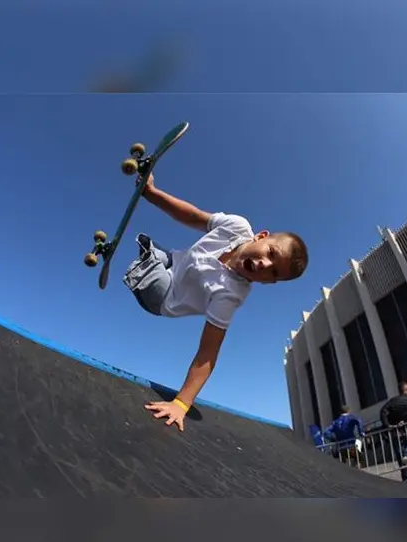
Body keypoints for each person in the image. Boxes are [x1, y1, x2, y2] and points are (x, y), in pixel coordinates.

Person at [132, 173, 309, 432]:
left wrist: (181, 403)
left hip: (163, 296)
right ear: (261, 236)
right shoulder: (236, 226)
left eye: (273, 272)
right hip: (174, 262)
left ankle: (144, 263)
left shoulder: (230, 294)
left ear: (269, 283)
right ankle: (150, 255)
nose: (264, 265)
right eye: (271, 253)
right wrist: (152, 194)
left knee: (150, 265)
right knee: (161, 253)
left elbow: (208, 353)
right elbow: (193, 216)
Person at [379, 381, 407, 482]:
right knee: (406, 444)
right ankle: (406, 456)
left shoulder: (393, 401)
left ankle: (406, 477)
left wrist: (387, 424)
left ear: (399, 391)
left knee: (398, 451)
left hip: (394, 428)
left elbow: (383, 411)